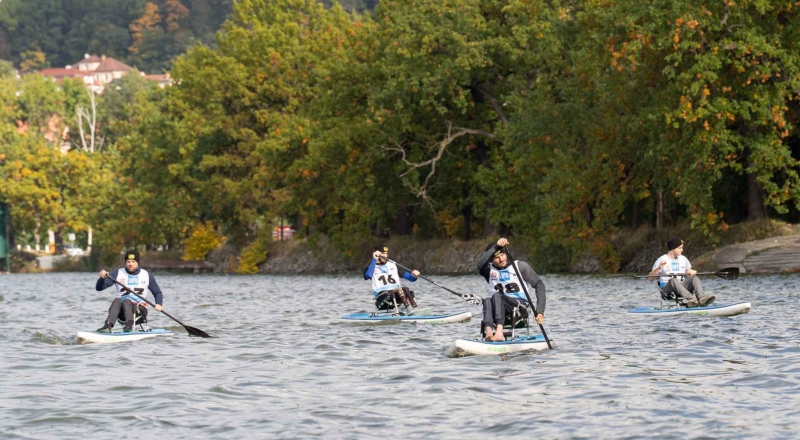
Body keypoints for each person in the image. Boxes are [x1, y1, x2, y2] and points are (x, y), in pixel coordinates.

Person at [477, 238, 546, 341]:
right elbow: (479, 264)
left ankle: (499, 333)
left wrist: (540, 311)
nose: (501, 259)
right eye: (496, 257)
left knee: (496, 295)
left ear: (506, 254)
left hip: (519, 306)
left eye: (502, 255)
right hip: (498, 307)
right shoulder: (488, 270)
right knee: (487, 300)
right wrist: (496, 246)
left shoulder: (519, 266)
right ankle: (489, 333)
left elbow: (539, 284)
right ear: (491, 260)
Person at [95, 250, 164, 333]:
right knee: (117, 300)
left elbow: (157, 292)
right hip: (122, 313)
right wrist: (102, 279)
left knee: (126, 300)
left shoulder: (146, 275)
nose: (130, 264)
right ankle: (108, 325)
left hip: (140, 311)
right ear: (125, 262)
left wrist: (159, 304)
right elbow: (99, 288)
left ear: (138, 262)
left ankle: (128, 326)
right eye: (128, 261)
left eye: (133, 261)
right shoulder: (118, 273)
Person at [648, 237, 715, 308]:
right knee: (673, 280)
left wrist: (692, 272)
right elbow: (650, 278)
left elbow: (688, 272)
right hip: (667, 290)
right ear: (673, 248)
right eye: (680, 248)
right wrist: (659, 268)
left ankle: (702, 299)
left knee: (694, 278)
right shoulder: (661, 259)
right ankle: (691, 299)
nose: (682, 250)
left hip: (681, 287)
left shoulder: (683, 259)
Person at [363, 244, 421, 315]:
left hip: (397, 294)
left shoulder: (393, 266)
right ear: (377, 254)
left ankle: (414, 308)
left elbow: (411, 278)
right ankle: (408, 309)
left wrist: (415, 275)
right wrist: (374, 259)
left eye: (386, 254)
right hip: (382, 296)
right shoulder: (370, 268)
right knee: (397, 290)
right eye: (383, 254)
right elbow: (368, 275)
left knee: (405, 289)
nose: (385, 256)